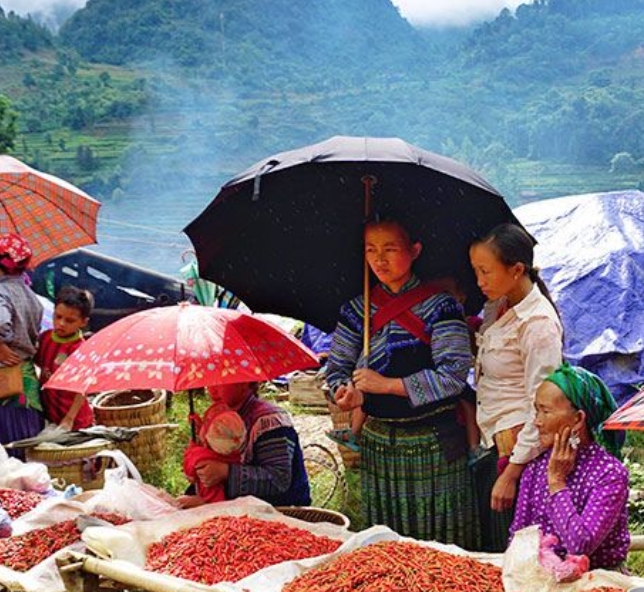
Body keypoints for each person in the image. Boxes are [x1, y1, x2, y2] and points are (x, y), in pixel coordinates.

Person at [323, 219, 475, 548]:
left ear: (414, 250)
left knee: (440, 538)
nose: (379, 259)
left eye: (390, 249)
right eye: (370, 250)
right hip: (378, 444)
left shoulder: (442, 306)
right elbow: (336, 367)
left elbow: (453, 375)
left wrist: (387, 385)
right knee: (386, 539)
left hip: (434, 442)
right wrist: (343, 392)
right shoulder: (356, 311)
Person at [470, 222, 564, 552]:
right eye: (475, 271)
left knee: (511, 548)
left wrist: (511, 473)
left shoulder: (537, 325)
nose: (479, 281)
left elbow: (544, 410)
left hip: (515, 450)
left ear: (517, 269)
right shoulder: (498, 305)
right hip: (492, 437)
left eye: (485, 271)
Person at [508, 363, 629, 570]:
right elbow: (518, 537)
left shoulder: (609, 474)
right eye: (536, 411)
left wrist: (556, 482)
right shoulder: (535, 468)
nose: (537, 422)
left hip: (598, 583)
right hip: (541, 578)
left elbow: (580, 546)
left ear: (578, 419)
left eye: (545, 411)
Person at [180, 381, 311, 507]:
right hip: (232, 506)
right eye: (210, 381)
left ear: (245, 382)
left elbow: (278, 480)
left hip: (279, 510)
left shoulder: (269, 422)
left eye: (222, 381)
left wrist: (225, 472)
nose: (212, 388)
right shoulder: (222, 417)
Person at [0, 233, 45, 448]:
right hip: (26, 381)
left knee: (6, 449)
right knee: (28, 444)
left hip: (4, 381)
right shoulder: (30, 294)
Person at [35, 286, 95, 430]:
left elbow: (83, 387)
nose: (61, 323)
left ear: (83, 322)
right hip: (51, 412)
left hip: (75, 419)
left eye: (70, 320)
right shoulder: (45, 338)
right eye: (58, 317)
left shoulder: (80, 349)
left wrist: (70, 418)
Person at [182, 403, 246, 504]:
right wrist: (199, 427)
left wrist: (193, 446)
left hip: (210, 500)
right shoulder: (232, 453)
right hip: (231, 496)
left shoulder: (199, 455)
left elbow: (189, 470)